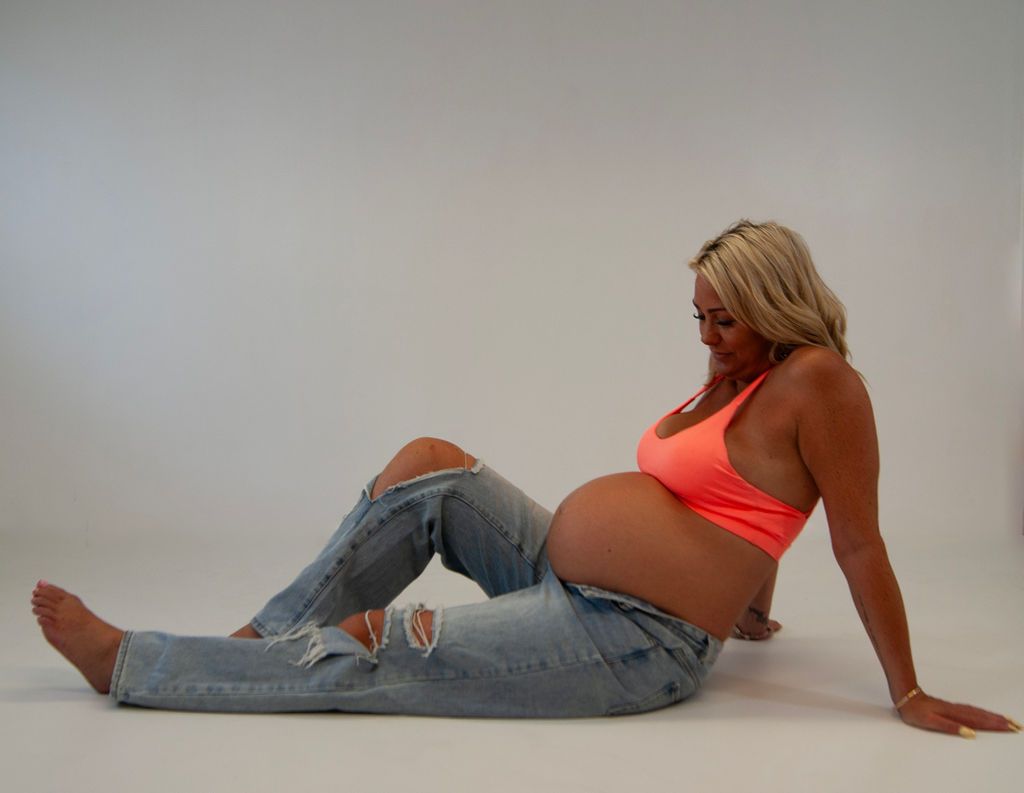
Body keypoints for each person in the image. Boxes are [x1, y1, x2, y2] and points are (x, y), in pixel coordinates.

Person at [32, 220, 1019, 735]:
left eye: (723, 317)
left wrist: (907, 689)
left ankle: (140, 667)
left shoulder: (822, 381)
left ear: (774, 304)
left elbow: (850, 533)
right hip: (568, 577)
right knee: (430, 467)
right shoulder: (737, 374)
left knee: (384, 644)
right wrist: (756, 599)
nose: (706, 335)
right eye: (698, 317)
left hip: (635, 640)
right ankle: (256, 641)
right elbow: (744, 502)